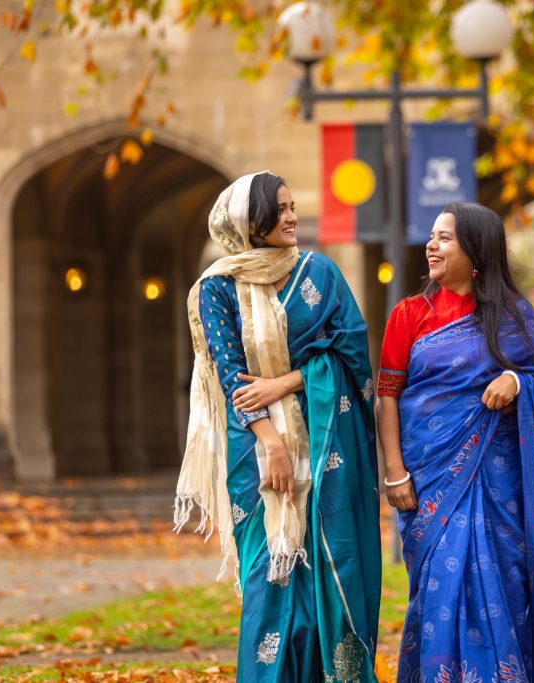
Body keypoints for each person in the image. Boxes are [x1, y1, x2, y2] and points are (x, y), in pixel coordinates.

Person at [174, 172, 381, 682]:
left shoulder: (320, 272)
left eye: (292, 207)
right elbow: (232, 378)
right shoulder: (216, 289)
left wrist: (284, 383)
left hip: (329, 436)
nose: (292, 217)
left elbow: (350, 352)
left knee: (334, 577)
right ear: (251, 221)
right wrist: (272, 445)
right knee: (270, 578)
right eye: (281, 209)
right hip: (255, 447)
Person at [376, 202, 534, 683]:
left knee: (502, 584)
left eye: (444, 238)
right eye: (432, 237)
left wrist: (517, 382)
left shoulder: (513, 316)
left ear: (476, 250)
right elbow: (388, 399)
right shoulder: (409, 315)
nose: (431, 245)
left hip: (500, 485)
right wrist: (395, 471)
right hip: (429, 480)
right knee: (441, 589)